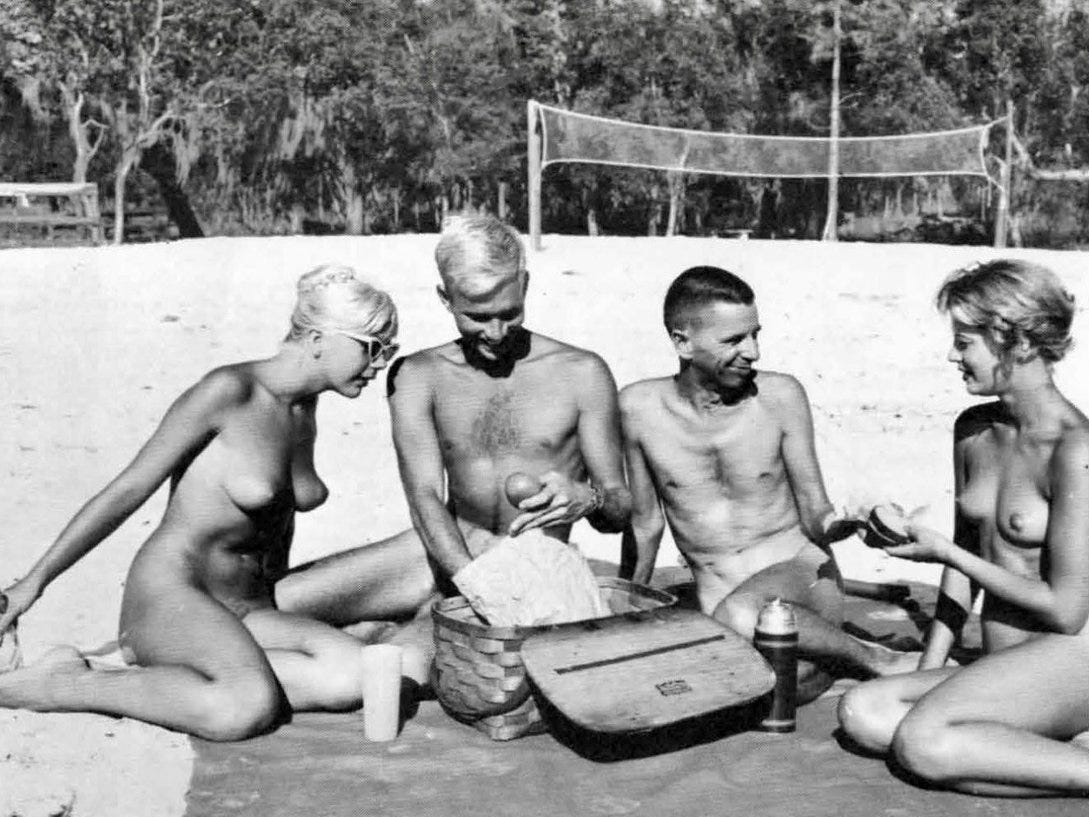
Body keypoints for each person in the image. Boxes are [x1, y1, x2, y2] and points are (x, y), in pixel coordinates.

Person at [836, 259, 1089, 817]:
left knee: (921, 743)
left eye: (964, 342)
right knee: (863, 712)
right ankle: (1073, 756)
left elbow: (1065, 606)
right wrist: (927, 666)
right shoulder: (974, 431)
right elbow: (962, 559)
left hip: (1075, 659)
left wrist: (949, 553)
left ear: (1019, 342)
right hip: (1008, 661)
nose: (952, 356)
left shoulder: (1076, 449)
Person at [0, 265, 400, 741]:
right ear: (318, 340)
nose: (380, 365)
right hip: (175, 595)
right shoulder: (228, 391)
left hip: (247, 607)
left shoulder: (303, 410)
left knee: (354, 677)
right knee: (243, 709)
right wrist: (32, 584)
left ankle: (193, 675)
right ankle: (65, 683)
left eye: (389, 350)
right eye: (373, 348)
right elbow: (129, 489)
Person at [276, 214, 631, 671]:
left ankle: (397, 629)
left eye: (509, 313)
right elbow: (424, 494)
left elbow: (619, 510)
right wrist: (470, 579)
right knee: (272, 606)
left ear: (525, 284)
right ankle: (399, 620)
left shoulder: (583, 373)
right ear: (445, 298)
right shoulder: (419, 376)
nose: (496, 333)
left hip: (528, 567)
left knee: (403, 667)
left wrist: (590, 498)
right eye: (477, 317)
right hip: (433, 552)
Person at [620, 265, 916, 703]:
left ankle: (875, 658)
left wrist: (848, 523)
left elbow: (816, 512)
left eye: (755, 334)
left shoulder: (780, 397)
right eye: (734, 340)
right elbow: (646, 524)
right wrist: (628, 611)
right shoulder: (639, 409)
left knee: (744, 617)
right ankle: (819, 665)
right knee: (740, 684)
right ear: (682, 342)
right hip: (718, 601)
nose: (753, 352)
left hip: (801, 577)